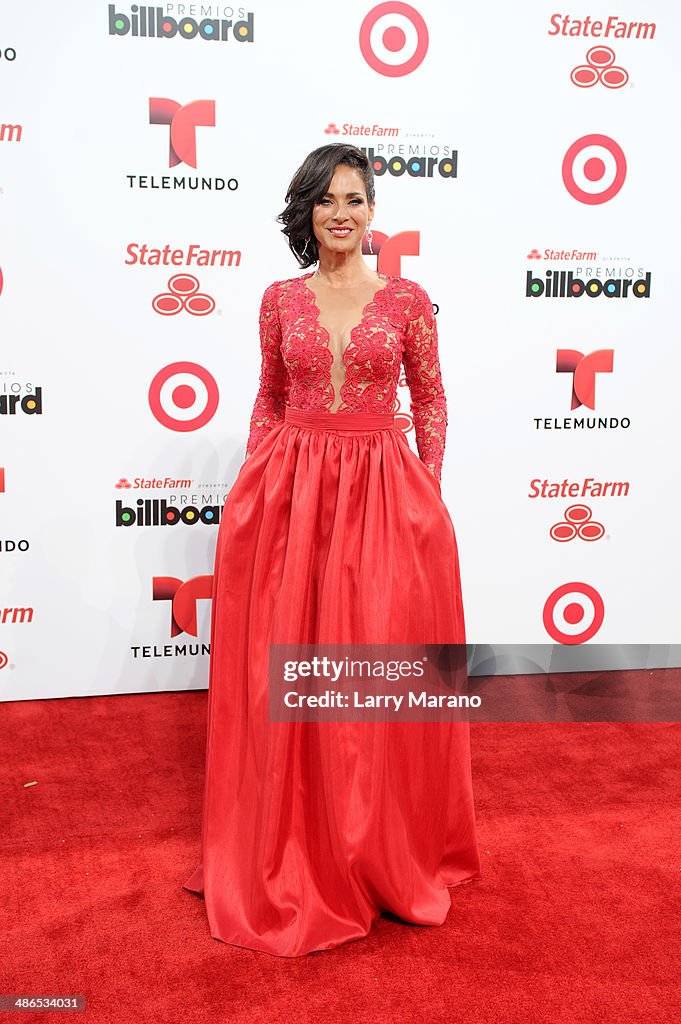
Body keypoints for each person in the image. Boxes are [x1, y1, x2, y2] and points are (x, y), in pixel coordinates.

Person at [183, 143, 481, 956]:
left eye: (353, 198)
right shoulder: (279, 299)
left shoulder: (408, 300)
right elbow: (270, 400)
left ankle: (372, 845)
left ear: (373, 212)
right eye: (324, 200)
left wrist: (430, 490)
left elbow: (431, 397)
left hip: (384, 492)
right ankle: (294, 841)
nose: (339, 213)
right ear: (307, 214)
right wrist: (252, 489)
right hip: (293, 492)